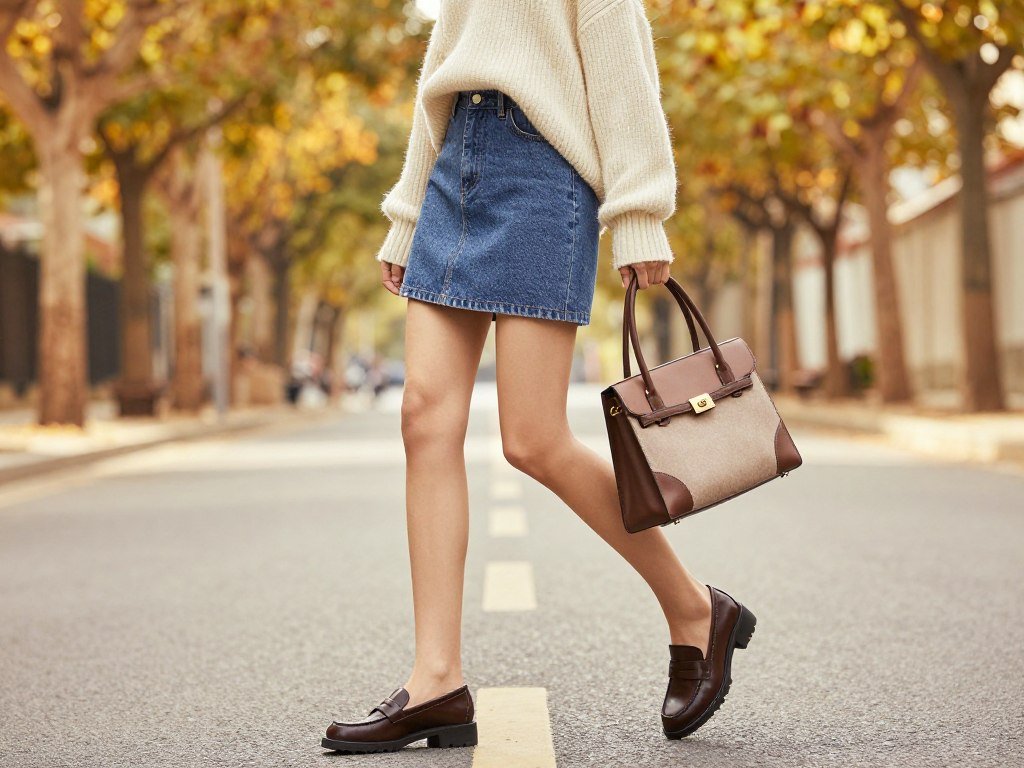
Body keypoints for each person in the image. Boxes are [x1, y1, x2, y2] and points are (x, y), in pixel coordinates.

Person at [322, 0, 756, 753]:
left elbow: (623, 68)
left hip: (542, 171)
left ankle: (693, 608)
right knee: (422, 415)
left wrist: (640, 210)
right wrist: (405, 210)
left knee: (534, 440)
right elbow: (443, 70)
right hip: (455, 167)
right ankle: (437, 681)